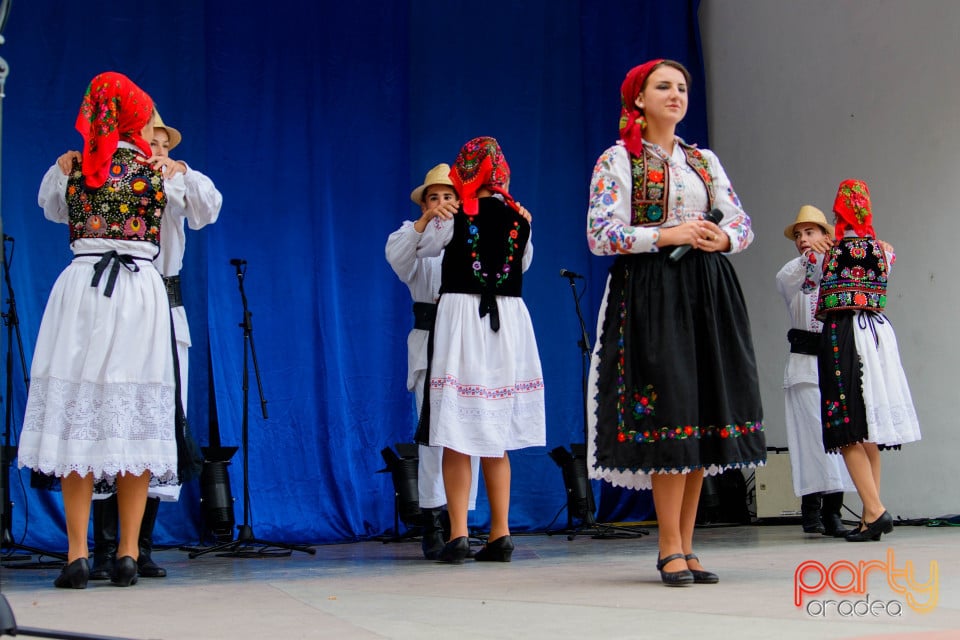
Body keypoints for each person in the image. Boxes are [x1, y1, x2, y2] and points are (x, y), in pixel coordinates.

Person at [585, 59, 766, 586]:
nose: (676, 94)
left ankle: (687, 547)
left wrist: (721, 238)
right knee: (672, 412)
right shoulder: (618, 159)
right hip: (653, 292)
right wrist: (669, 234)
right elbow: (601, 234)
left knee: (701, 415)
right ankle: (668, 547)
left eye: (682, 87)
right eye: (663, 86)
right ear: (637, 99)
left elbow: (741, 220)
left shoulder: (703, 160)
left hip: (707, 291)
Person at [19, 72, 187, 588]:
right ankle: (128, 552)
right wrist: (173, 169)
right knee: (131, 416)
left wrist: (67, 164)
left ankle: (77, 553)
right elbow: (204, 206)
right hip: (136, 294)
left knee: (80, 417)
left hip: (83, 290)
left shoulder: (75, 168)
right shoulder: (156, 171)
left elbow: (51, 208)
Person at [54, 112, 223, 578]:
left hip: (159, 303)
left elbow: (209, 208)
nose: (156, 150)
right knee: (104, 412)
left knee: (150, 422)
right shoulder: (103, 175)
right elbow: (54, 201)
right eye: (150, 139)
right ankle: (107, 547)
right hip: (118, 298)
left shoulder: (169, 181)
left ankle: (139, 544)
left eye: (162, 144)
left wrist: (183, 171)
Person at [415, 137, 545, 564]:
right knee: (497, 435)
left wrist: (437, 216)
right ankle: (500, 533)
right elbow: (521, 265)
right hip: (507, 325)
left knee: (456, 433)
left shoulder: (454, 215)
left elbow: (425, 251)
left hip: (462, 320)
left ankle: (456, 535)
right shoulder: (519, 219)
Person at [814, 179, 921, 542]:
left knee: (845, 425)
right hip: (877, 333)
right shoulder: (883, 250)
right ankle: (868, 514)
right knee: (868, 431)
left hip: (843, 333)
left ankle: (874, 512)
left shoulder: (830, 249)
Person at [384, 163, 480, 559]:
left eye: (447, 197)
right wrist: (425, 222)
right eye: (433, 198)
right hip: (429, 341)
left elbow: (516, 263)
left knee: (469, 434)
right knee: (433, 437)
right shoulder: (413, 237)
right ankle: (431, 518)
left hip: (466, 342)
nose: (441, 204)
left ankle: (461, 523)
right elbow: (398, 258)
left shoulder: (470, 236)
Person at [776, 205, 854, 537]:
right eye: (799, 234)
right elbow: (790, 279)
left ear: (827, 235)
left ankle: (833, 511)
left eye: (811, 232)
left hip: (837, 364)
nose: (804, 239)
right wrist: (814, 257)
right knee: (811, 437)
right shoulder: (792, 272)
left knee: (840, 436)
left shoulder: (841, 267)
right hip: (806, 365)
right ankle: (811, 510)